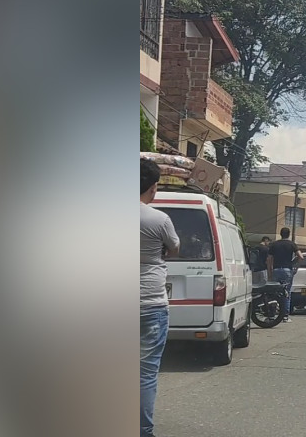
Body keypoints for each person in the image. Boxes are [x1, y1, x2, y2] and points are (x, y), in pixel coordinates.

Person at [140, 158, 180, 437]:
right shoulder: (158, 219)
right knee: (144, 373)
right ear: (153, 188)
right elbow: (174, 248)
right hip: (150, 304)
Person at [267, 227, 301, 321]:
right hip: (287, 270)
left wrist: (270, 271)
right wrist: (294, 266)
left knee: (274, 293)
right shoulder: (292, 244)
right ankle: (285, 316)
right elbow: (300, 256)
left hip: (276, 270)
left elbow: (269, 259)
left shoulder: (274, 244)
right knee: (286, 293)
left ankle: (272, 315)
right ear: (289, 234)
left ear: (280, 234)